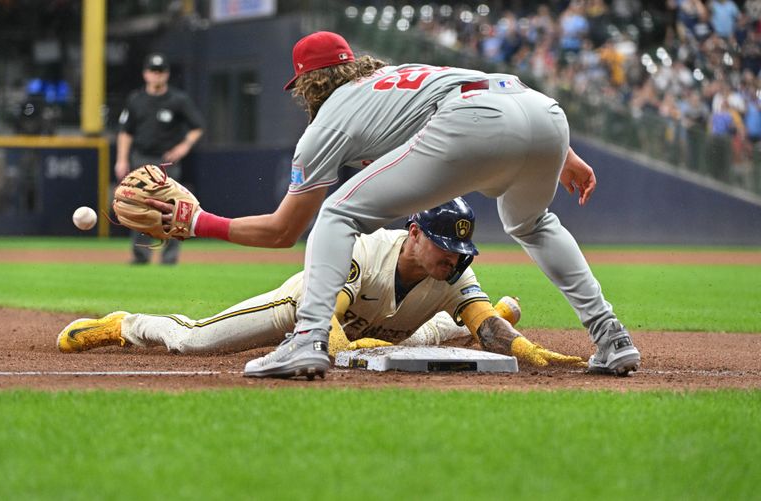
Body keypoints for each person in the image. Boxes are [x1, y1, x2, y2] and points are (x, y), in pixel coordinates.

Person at [147, 31, 641, 379]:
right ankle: (612, 337)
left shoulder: (328, 123)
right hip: (542, 112)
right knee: (532, 223)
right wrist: (566, 156)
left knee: (337, 213)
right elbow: (502, 95)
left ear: (306, 86)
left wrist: (199, 222)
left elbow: (283, 231)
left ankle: (307, 340)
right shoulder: (402, 76)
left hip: (472, 120)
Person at [57, 198, 585, 370]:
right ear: (415, 233)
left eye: (461, 253)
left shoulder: (454, 272)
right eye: (446, 249)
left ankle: (457, 325)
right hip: (303, 309)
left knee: (437, 332)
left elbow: (481, 321)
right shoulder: (367, 251)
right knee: (197, 339)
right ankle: (125, 323)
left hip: (384, 325)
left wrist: (526, 350)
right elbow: (323, 318)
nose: (454, 260)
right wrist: (355, 352)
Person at [115, 52, 205, 265]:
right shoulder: (136, 99)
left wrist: (183, 147)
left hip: (166, 162)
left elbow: (197, 127)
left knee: (172, 208)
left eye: (161, 71)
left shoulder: (178, 100)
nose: (157, 75)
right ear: (146, 74)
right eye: (153, 71)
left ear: (166, 74)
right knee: (138, 208)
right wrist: (121, 159)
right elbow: (125, 132)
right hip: (141, 160)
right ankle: (140, 256)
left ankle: (170, 257)